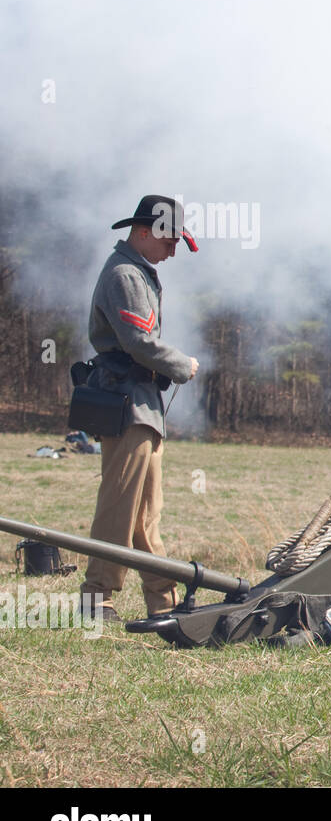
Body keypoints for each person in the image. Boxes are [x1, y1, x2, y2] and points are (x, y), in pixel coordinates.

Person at [80, 195, 200, 623]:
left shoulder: (137, 271)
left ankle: (163, 602)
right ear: (144, 232)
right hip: (127, 401)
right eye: (169, 241)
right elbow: (138, 343)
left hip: (142, 403)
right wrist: (181, 365)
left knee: (147, 514)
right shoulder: (126, 275)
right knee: (120, 505)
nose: (172, 251)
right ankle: (96, 598)